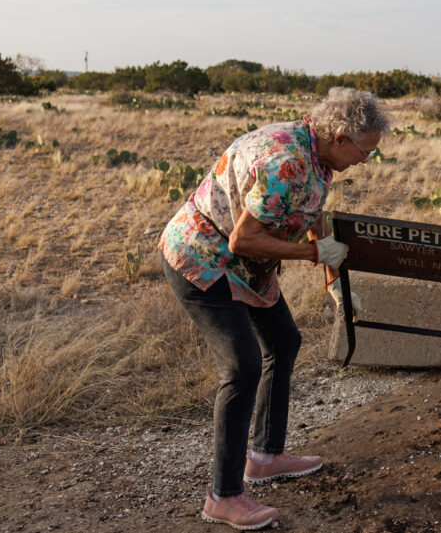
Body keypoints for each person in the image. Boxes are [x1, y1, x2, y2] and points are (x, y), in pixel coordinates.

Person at [159, 87, 390, 530]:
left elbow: (310, 212)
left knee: (284, 341)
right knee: (242, 367)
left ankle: (265, 456)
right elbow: (241, 239)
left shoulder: (319, 156)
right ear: (340, 137)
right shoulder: (287, 161)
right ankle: (222, 497)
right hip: (203, 259)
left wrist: (334, 285)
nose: (366, 160)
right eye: (365, 152)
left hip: (245, 267)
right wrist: (315, 256)